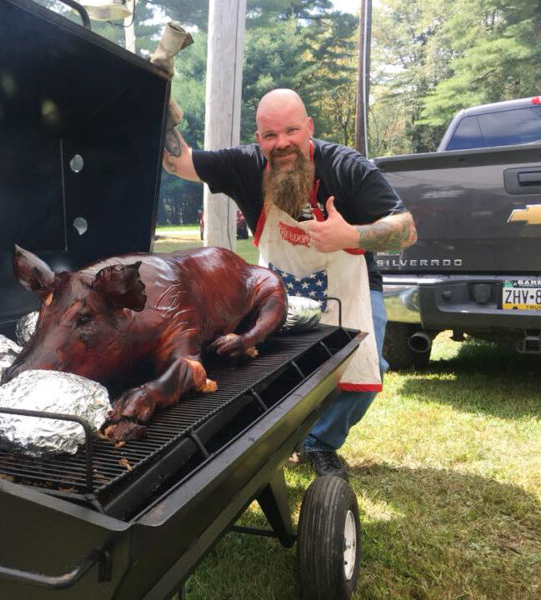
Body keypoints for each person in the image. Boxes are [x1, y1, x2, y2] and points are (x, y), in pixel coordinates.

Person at [162, 88, 417, 479]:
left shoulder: (346, 167)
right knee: (262, 367)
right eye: (270, 135)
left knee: (366, 373)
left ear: (309, 128)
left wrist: (350, 236)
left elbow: (405, 229)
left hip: (351, 286)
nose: (281, 144)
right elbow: (180, 162)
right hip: (276, 286)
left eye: (291, 131)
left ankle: (320, 441)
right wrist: (163, 102)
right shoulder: (245, 165)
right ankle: (278, 435)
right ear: (258, 136)